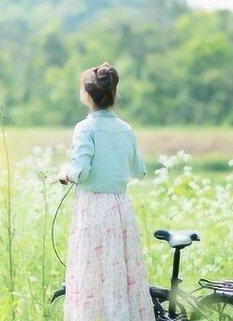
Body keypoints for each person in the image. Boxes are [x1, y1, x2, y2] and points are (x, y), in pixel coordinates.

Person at [59, 62, 155, 320]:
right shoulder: (126, 129)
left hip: (93, 209)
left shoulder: (85, 128)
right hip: (120, 209)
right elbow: (139, 170)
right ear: (113, 94)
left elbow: (81, 171)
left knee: (92, 275)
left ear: (87, 94)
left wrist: (66, 174)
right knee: (120, 276)